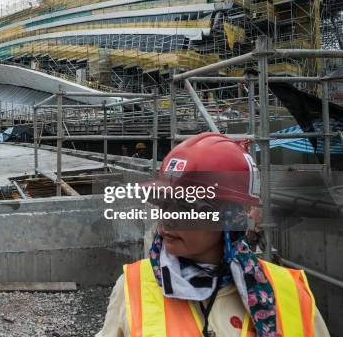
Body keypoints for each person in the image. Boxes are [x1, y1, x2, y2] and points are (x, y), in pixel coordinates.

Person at [97, 132, 330, 337]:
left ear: (233, 216)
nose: (166, 219)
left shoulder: (289, 293)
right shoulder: (134, 286)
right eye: (164, 205)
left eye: (186, 208)